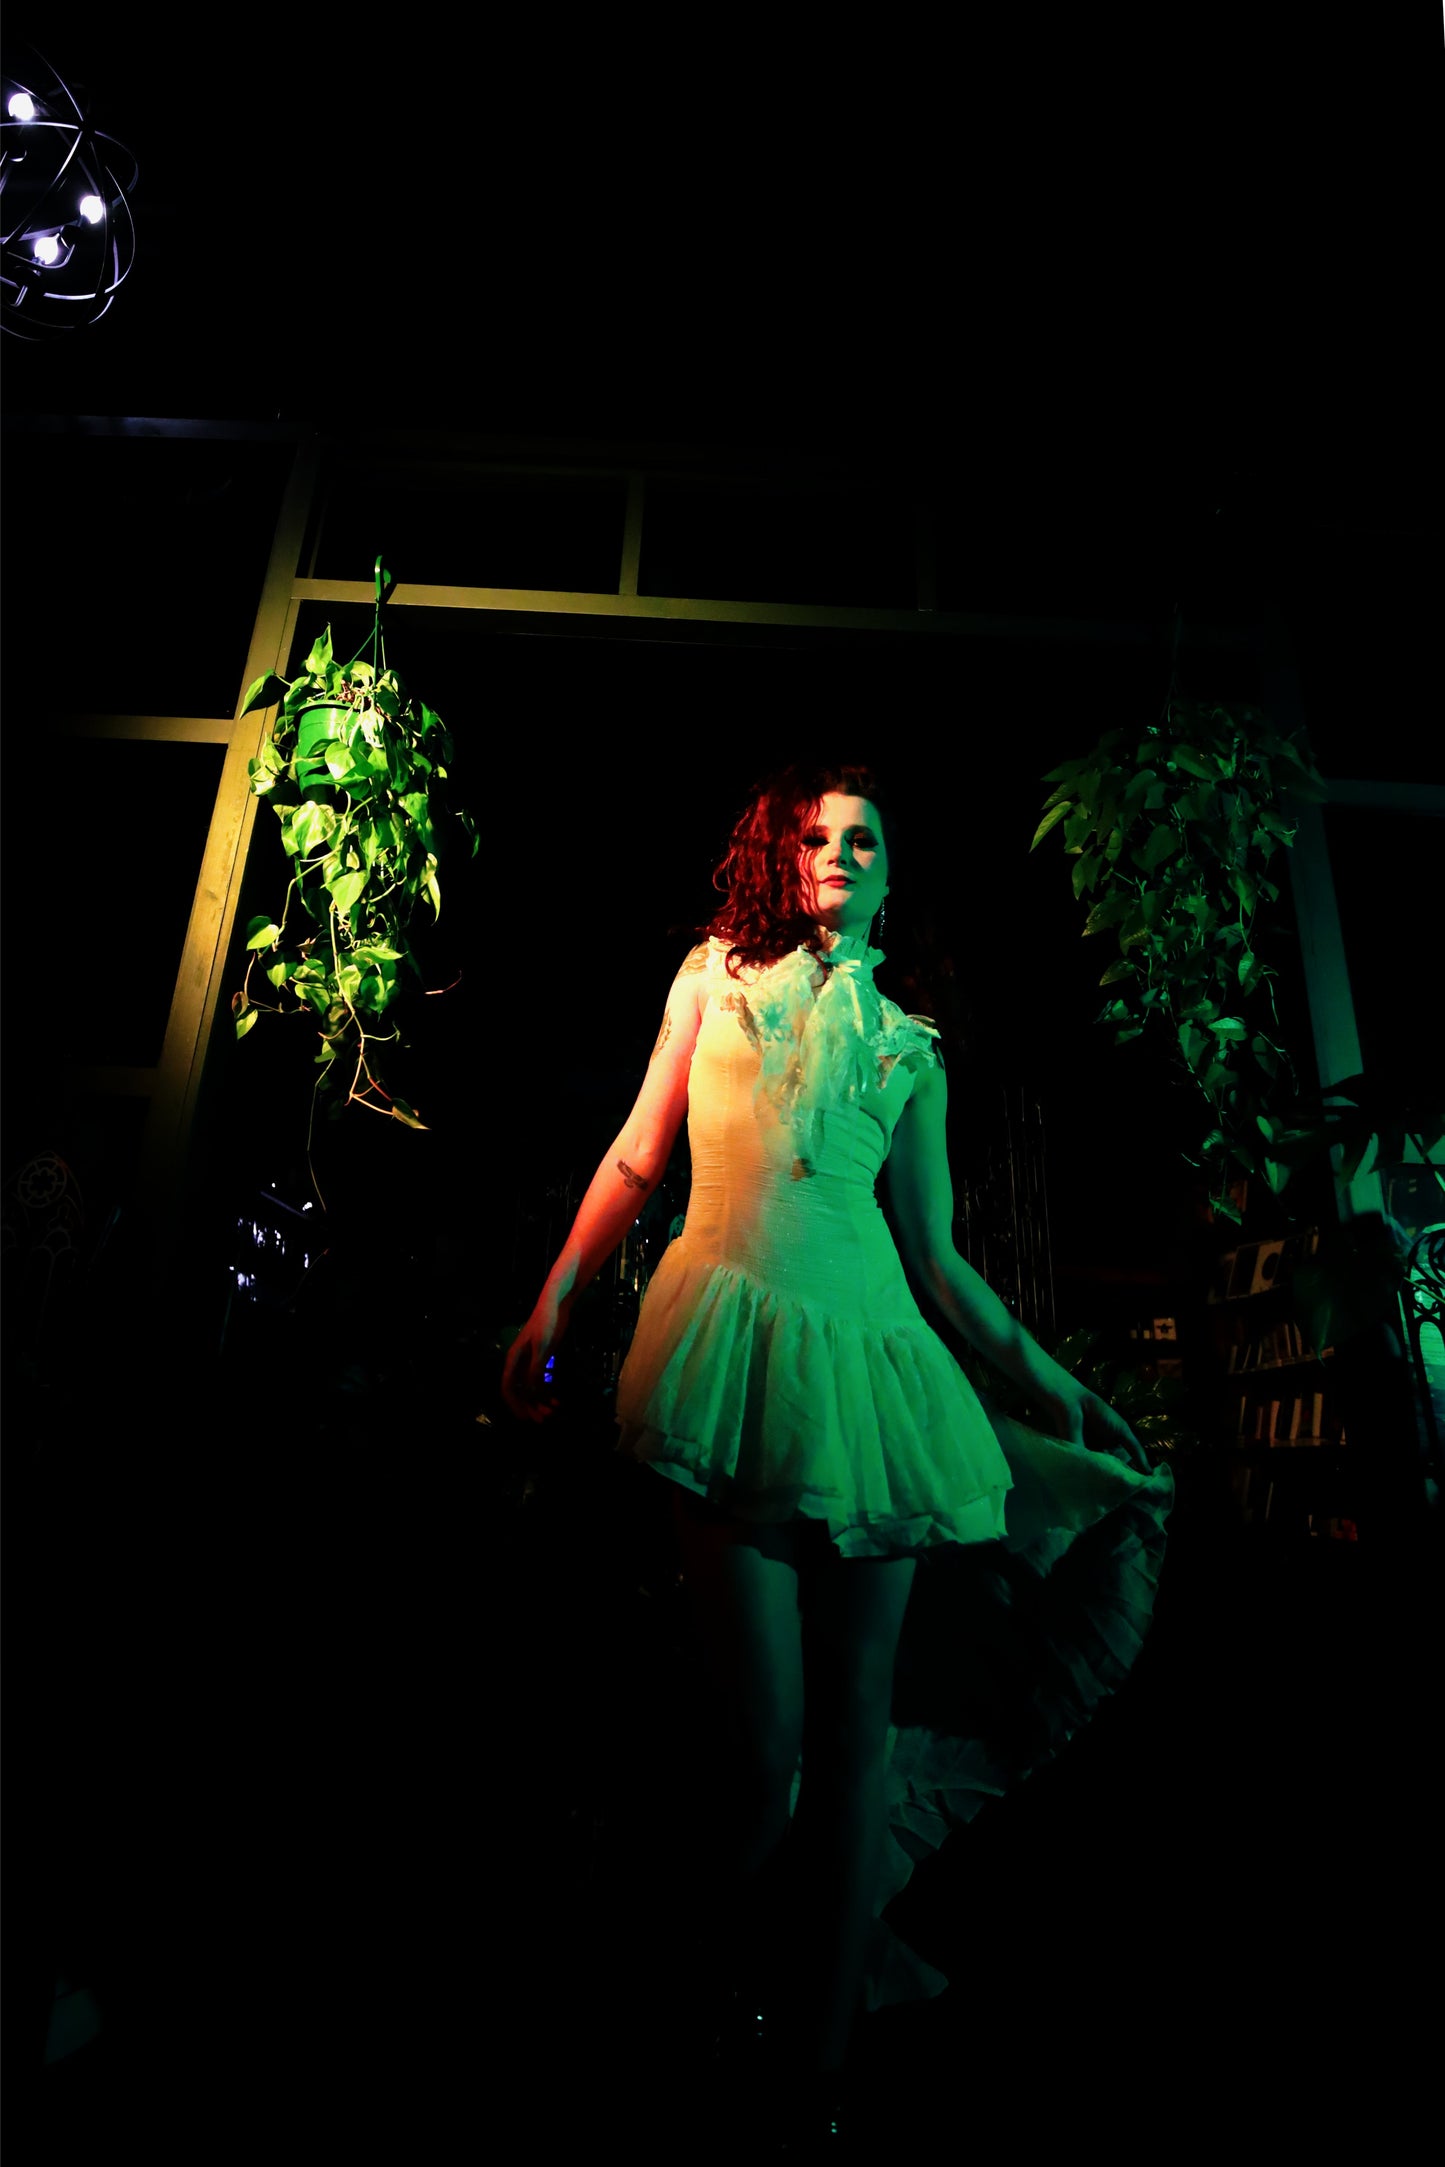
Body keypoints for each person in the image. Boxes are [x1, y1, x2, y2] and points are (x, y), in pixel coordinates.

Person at [502, 761, 1173, 2143]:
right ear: (779, 852)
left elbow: (939, 1262)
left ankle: (814, 2064)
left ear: (888, 869)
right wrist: (554, 1294)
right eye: (815, 833)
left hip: (873, 1371)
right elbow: (639, 1152)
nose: (837, 850)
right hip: (731, 1349)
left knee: (856, 1739)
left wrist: (1062, 1391)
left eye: (862, 837)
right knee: (764, 1749)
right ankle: (659, 1997)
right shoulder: (713, 978)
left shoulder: (909, 1047)